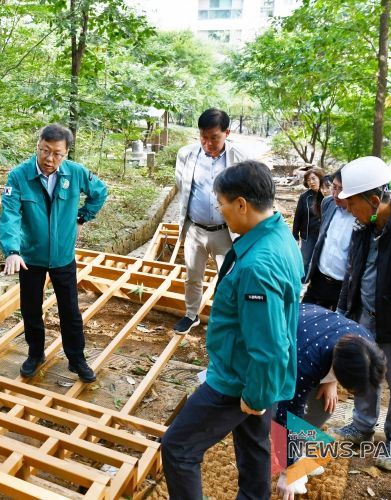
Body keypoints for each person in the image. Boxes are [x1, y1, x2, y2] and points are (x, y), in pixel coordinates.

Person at [161, 160, 303, 500]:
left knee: (178, 448)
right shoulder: (279, 235)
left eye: (221, 203)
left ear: (241, 204)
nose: (219, 211)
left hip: (238, 378)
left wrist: (254, 396)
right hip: (257, 377)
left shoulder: (258, 266)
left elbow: (268, 347)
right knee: (254, 447)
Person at [333, 156, 391, 471]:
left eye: (352, 203)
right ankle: (362, 425)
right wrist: (343, 310)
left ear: (374, 201)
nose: (348, 209)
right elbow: (352, 273)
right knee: (364, 373)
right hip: (364, 317)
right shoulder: (363, 227)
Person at [0, 124, 108, 383]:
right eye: (45, 151)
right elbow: (10, 214)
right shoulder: (19, 176)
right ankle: (35, 354)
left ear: (66, 153)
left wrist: (83, 216)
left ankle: (77, 359)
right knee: (31, 309)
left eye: (57, 153)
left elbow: (100, 192)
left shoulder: (76, 172)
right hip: (30, 257)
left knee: (70, 310)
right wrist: (12, 250)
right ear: (38, 145)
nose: (49, 159)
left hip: (62, 256)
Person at [275, 304, 386, 499]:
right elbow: (287, 415)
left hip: (315, 339)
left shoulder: (366, 343)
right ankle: (289, 457)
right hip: (279, 348)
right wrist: (288, 471)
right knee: (277, 413)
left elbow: (339, 347)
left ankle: (299, 450)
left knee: (324, 407)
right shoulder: (305, 361)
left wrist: (331, 381)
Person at [173, 108, 249, 334]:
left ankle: (225, 319)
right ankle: (191, 315)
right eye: (203, 137)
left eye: (214, 138)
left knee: (227, 279)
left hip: (226, 231)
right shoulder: (186, 155)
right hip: (195, 229)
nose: (208, 143)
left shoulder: (240, 158)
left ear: (227, 133)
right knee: (192, 275)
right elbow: (182, 186)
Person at [302, 170, 356, 310]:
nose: (335, 194)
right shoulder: (328, 203)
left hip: (342, 287)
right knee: (303, 315)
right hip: (318, 279)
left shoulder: (360, 215)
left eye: (341, 189)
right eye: (334, 187)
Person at [292, 168, 325, 277]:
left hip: (324, 235)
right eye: (308, 180)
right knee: (305, 261)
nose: (311, 182)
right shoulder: (305, 197)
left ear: (320, 178)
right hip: (308, 235)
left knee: (321, 260)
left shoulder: (327, 194)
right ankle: (301, 281)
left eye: (313, 179)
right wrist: (295, 235)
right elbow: (298, 216)